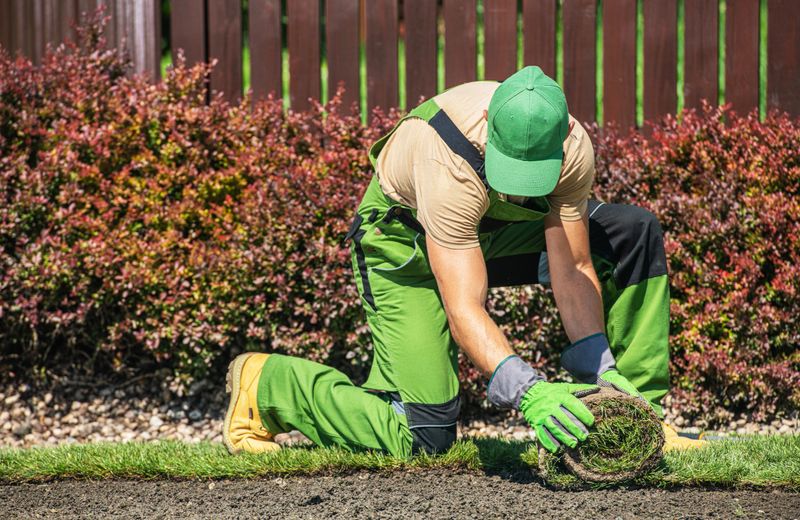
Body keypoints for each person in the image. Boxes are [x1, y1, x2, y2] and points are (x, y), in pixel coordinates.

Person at [221, 66, 706, 457]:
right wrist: (528, 390)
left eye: (534, 174)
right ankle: (268, 386)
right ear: (491, 133)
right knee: (423, 436)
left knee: (627, 233)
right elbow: (464, 307)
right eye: (511, 170)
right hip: (404, 251)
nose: (520, 186)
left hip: (497, 234)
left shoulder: (572, 148)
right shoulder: (447, 154)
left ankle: (639, 415)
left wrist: (601, 371)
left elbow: (573, 266)